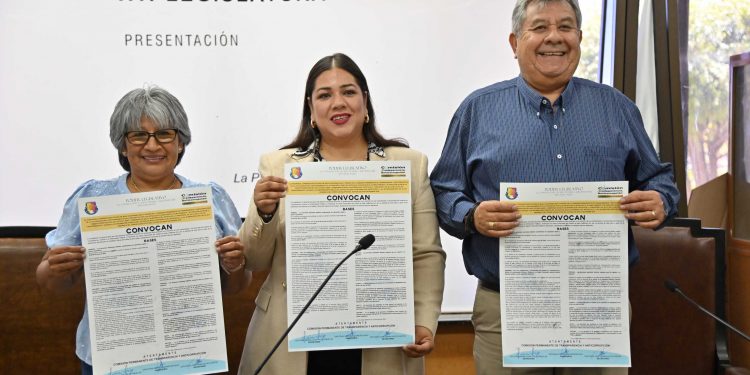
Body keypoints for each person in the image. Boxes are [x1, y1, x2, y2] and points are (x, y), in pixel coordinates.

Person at [429, 0, 681, 374]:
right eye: (540, 27)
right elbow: (444, 189)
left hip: (597, 306)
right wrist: (471, 216)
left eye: (565, 27)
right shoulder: (477, 110)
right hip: (507, 309)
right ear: (515, 42)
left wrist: (661, 200)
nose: (554, 38)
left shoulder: (617, 108)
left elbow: (659, 178)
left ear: (579, 37)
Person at [237, 53, 446, 375]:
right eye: (325, 95)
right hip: (292, 338)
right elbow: (255, 259)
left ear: (365, 103)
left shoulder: (408, 164)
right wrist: (263, 213)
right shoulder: (279, 166)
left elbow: (426, 254)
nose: (338, 103)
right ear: (311, 109)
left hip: (380, 337)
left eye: (348, 92)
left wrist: (423, 321)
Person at [35, 85, 248, 375]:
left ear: (181, 142)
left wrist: (235, 266)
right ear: (122, 145)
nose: (152, 146)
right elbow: (50, 282)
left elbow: (237, 285)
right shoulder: (93, 198)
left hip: (190, 355)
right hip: (112, 358)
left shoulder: (211, 197)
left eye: (164, 134)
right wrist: (56, 268)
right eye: (138, 135)